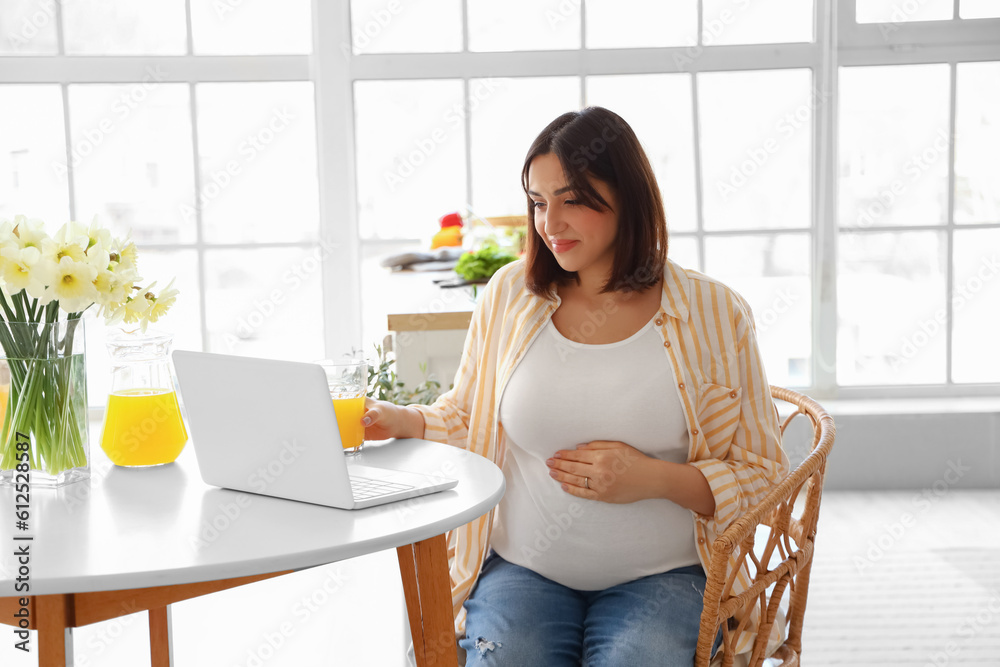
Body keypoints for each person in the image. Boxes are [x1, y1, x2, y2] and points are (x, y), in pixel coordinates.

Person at [363, 106, 789, 666]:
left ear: (628, 198)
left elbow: (765, 475)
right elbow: (471, 415)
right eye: (539, 202)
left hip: (666, 577)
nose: (550, 223)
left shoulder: (714, 313)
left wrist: (657, 478)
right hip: (525, 569)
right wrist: (404, 419)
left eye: (572, 200)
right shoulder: (512, 294)